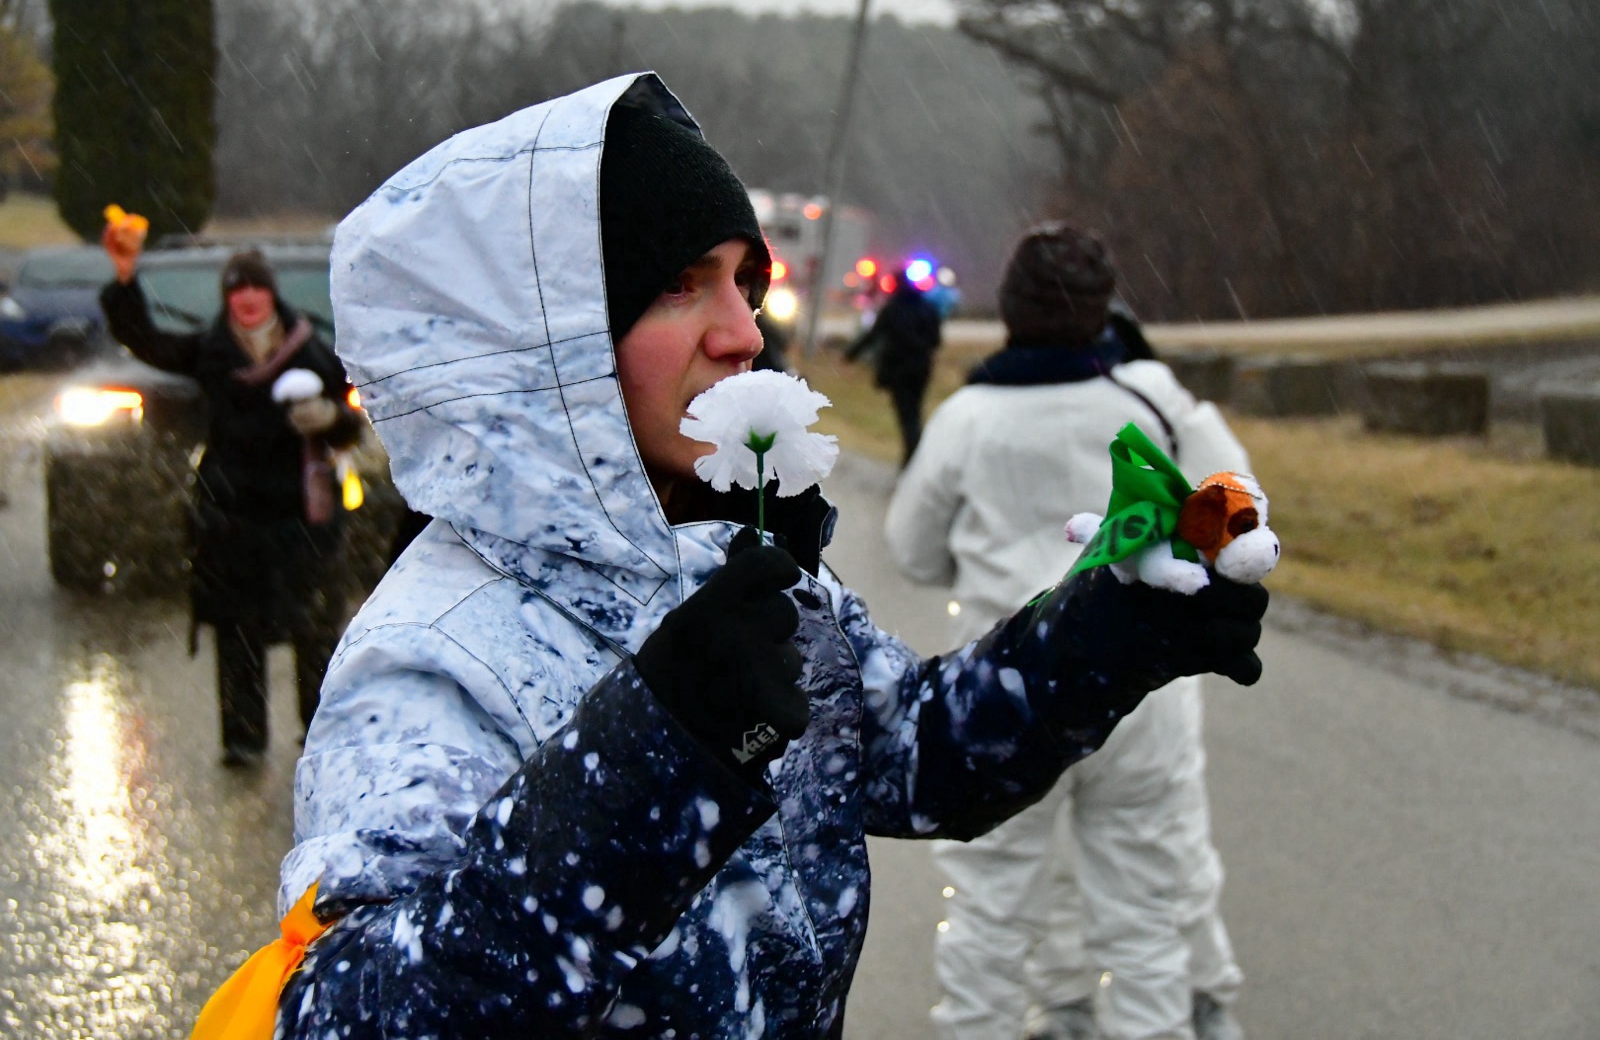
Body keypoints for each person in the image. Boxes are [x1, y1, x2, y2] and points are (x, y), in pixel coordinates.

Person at [262, 75, 1266, 1038]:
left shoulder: (729, 557)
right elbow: (343, 1012)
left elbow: (916, 756)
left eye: (745, 283)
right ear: (545, 348)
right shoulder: (433, 650)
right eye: (680, 285)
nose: (743, 333)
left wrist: (1099, 630)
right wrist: (648, 754)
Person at [885, 223, 1253, 1040]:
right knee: (1145, 905)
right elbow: (1236, 500)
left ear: (1011, 310)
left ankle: (989, 1024)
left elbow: (911, 548)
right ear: (1104, 309)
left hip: (1004, 688)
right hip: (1141, 687)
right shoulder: (1150, 399)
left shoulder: (968, 416)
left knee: (990, 900)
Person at [99, 238, 363, 767]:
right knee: (238, 633)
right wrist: (125, 280)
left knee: (315, 630)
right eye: (237, 289)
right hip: (233, 515)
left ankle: (322, 738)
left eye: (256, 287)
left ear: (272, 294)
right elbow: (145, 340)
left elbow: (353, 423)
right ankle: (243, 739)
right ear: (227, 299)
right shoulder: (210, 352)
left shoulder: (314, 351)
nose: (247, 298)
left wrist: (331, 420)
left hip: (302, 514)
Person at [846, 265, 943, 464]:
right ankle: (914, 456)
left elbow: (873, 335)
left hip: (900, 370)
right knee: (914, 411)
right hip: (921, 369)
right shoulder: (927, 308)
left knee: (907, 415)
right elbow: (935, 340)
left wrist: (851, 354)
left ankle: (913, 458)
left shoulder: (893, 309)